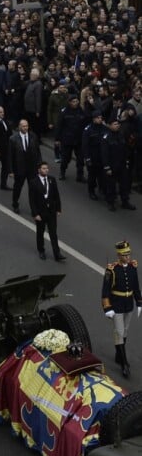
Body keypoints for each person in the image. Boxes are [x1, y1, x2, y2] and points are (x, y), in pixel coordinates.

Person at [102, 240, 142, 378]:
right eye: (124, 255)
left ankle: (118, 355)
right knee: (119, 332)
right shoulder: (111, 270)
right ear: (119, 255)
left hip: (128, 304)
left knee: (124, 331)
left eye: (128, 254)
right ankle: (124, 364)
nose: (128, 257)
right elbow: (105, 290)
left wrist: (139, 302)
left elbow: (136, 286)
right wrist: (107, 308)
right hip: (117, 305)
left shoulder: (132, 267)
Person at [28, 162, 66, 262]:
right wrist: (35, 214)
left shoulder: (51, 180)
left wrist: (58, 209)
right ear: (39, 170)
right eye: (44, 168)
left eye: (47, 168)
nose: (46, 170)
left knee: (53, 233)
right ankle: (41, 251)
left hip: (51, 212)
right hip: (40, 213)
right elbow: (31, 200)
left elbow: (56, 195)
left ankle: (57, 254)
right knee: (40, 233)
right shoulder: (33, 182)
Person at [101, 116, 137, 212]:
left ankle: (125, 202)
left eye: (118, 124)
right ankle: (111, 202)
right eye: (115, 124)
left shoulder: (120, 135)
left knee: (124, 185)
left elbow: (125, 149)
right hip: (112, 166)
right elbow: (104, 154)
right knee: (111, 186)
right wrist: (107, 167)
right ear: (109, 126)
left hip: (121, 165)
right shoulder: (106, 137)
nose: (118, 126)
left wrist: (127, 161)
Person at [8, 119, 42, 214]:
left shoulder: (33, 136)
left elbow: (38, 152)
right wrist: (10, 170)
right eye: (23, 126)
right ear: (19, 127)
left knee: (33, 189)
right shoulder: (13, 139)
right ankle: (15, 204)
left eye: (26, 126)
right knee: (18, 187)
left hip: (32, 168)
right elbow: (10, 156)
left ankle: (34, 209)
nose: (25, 128)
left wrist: (39, 166)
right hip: (19, 168)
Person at [55, 94, 86, 182]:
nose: (76, 103)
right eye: (73, 102)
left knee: (80, 159)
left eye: (77, 101)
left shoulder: (81, 111)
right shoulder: (64, 112)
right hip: (67, 139)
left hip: (78, 139)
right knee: (65, 158)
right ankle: (62, 172)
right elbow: (59, 126)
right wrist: (57, 139)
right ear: (69, 102)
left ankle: (80, 175)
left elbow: (84, 123)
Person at [82, 110, 106, 200]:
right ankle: (91, 191)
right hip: (92, 156)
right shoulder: (88, 130)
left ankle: (102, 189)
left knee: (102, 175)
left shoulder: (104, 128)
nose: (100, 119)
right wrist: (87, 158)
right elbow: (85, 145)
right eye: (98, 118)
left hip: (102, 156)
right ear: (94, 119)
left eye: (101, 118)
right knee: (92, 176)